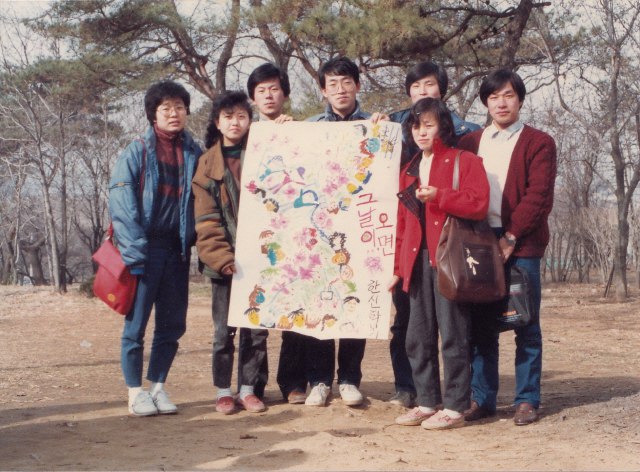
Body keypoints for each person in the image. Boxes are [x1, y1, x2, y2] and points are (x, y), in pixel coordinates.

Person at [457, 69, 557, 426]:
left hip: (523, 242)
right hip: (477, 243)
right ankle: (482, 399)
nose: (501, 102)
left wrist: (511, 237)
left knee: (525, 322)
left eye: (509, 95)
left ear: (520, 99)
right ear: (485, 101)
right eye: (494, 96)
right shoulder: (470, 142)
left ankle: (527, 399)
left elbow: (538, 195)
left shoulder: (538, 142)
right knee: (481, 325)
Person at [389, 97, 489, 430]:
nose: (421, 132)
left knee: (454, 334)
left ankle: (457, 406)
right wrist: (398, 269)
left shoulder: (465, 160)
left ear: (442, 125)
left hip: (450, 260)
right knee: (417, 336)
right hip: (416, 263)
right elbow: (402, 226)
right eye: (416, 126)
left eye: (428, 124)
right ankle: (427, 401)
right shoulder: (409, 169)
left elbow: (479, 203)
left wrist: (441, 197)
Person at [109, 80, 202, 416]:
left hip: (177, 251)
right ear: (153, 115)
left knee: (171, 325)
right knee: (135, 327)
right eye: (166, 108)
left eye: (179, 107)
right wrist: (135, 252)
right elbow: (121, 205)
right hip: (145, 251)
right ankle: (135, 392)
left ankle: (158, 387)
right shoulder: (136, 151)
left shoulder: (194, 152)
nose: (174, 114)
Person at [302, 56, 382, 407]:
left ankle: (349, 378)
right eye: (332, 84)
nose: (340, 89)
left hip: (360, 227)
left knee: (354, 301)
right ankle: (319, 380)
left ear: (358, 86)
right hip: (320, 230)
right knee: (321, 300)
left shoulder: (376, 126)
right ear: (323, 90)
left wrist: (384, 133)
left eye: (346, 82)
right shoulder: (310, 128)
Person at [192, 91, 268, 415]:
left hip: (260, 260)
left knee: (256, 329)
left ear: (249, 120)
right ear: (217, 122)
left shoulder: (265, 154)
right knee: (224, 331)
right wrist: (223, 260)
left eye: (241, 116)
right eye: (228, 117)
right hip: (224, 264)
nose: (234, 122)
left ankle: (248, 388)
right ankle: (224, 390)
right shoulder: (207, 164)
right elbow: (206, 222)